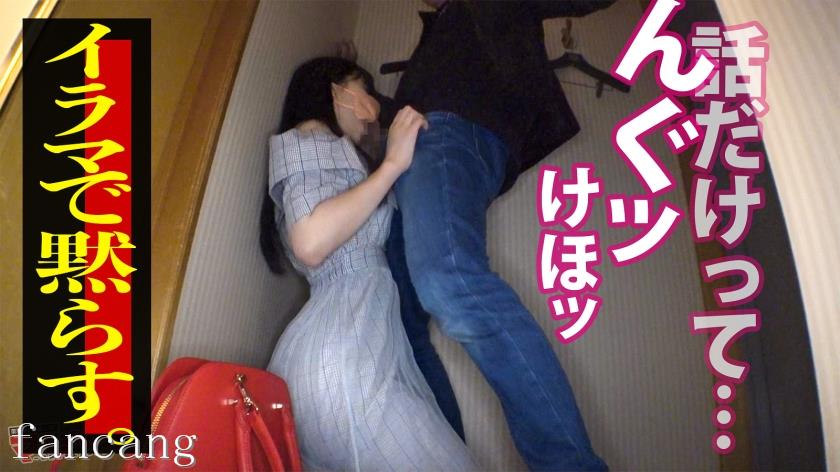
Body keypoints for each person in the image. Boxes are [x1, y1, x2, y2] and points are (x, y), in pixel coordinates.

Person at [381, 1, 617, 471]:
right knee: (401, 323)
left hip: (449, 136)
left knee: (449, 281)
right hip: (417, 154)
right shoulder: (443, 29)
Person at [260, 57, 476, 471]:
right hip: (343, 365)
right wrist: (392, 165)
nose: (373, 108)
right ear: (335, 91)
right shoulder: (311, 135)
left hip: (347, 360)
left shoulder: (341, 158)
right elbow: (310, 240)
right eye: (365, 91)